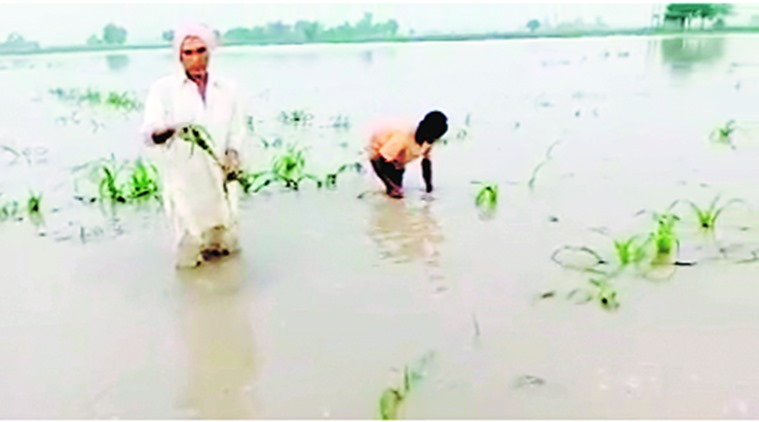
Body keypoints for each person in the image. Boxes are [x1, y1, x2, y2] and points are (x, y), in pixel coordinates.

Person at [140, 23, 247, 269]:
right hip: (185, 181)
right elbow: (149, 133)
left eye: (201, 51)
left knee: (225, 245)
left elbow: (237, 130)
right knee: (189, 248)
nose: (196, 59)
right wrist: (165, 132)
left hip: (220, 177)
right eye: (188, 53)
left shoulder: (227, 89)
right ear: (179, 56)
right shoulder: (163, 91)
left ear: (210, 52)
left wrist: (233, 155)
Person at [367, 111, 448, 198]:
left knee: (398, 185)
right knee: (395, 191)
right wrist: (389, 186)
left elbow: (426, 162)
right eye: (431, 137)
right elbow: (377, 159)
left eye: (435, 138)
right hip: (380, 151)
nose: (432, 141)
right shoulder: (402, 137)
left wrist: (429, 187)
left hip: (397, 158)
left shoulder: (429, 140)